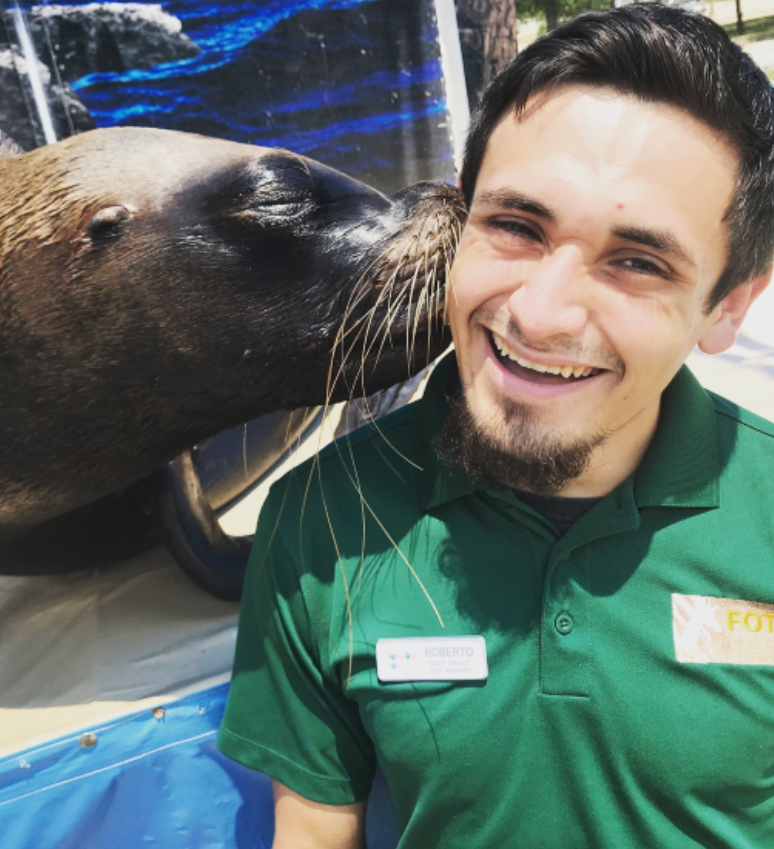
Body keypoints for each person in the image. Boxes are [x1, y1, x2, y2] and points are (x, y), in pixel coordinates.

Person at [218, 5, 774, 846]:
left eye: (636, 261)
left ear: (727, 306)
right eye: (515, 225)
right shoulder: (323, 515)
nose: (541, 315)